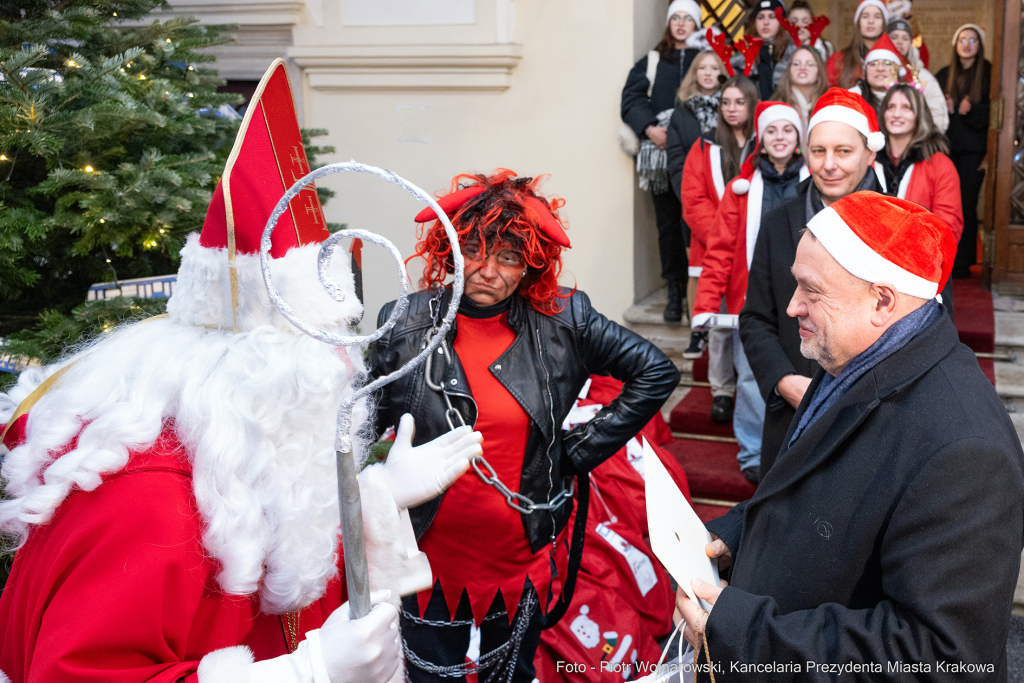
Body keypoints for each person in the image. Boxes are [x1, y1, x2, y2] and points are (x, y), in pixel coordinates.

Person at [0, 60, 485, 683]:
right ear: (261, 374)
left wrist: (374, 499)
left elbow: (285, 549)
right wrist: (307, 674)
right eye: (325, 349)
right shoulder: (149, 501)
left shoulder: (237, 451)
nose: (344, 368)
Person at [677, 192, 1023, 681]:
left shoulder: (966, 451)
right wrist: (741, 535)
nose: (793, 305)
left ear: (882, 299)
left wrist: (745, 634)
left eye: (810, 290)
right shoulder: (854, 352)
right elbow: (816, 490)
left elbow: (944, 658)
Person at [367, 170, 680, 683]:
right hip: (425, 556)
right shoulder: (406, 322)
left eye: (508, 258)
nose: (488, 270)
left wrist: (578, 451)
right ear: (450, 249)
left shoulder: (564, 320)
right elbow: (360, 424)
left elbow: (655, 372)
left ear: (530, 265)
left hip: (517, 556)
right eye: (473, 249)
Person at [740, 87, 887, 474]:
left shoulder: (902, 231)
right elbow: (755, 318)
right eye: (819, 151)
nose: (829, 164)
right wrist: (783, 380)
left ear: (870, 154)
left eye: (843, 151)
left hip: (878, 418)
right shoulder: (777, 224)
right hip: (795, 419)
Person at [692, 102, 807, 484]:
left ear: (798, 139)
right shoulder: (740, 191)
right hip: (753, 298)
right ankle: (755, 455)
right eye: (772, 131)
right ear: (761, 139)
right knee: (750, 378)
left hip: (807, 300)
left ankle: (801, 450)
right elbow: (721, 250)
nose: (779, 137)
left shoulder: (814, 182)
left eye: (787, 131)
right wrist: (706, 303)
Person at [621, 0, 708, 321]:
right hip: (660, 159)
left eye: (688, 18)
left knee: (696, 224)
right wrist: (649, 128)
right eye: (677, 18)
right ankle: (674, 292)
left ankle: (696, 293)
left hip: (696, 159)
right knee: (668, 224)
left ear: (696, 24)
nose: (682, 23)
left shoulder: (706, 61)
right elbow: (631, 99)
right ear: (669, 23)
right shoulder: (653, 61)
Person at [680, 76, 758, 424]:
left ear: (752, 103)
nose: (732, 108)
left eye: (739, 102)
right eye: (726, 102)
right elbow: (693, 200)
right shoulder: (704, 146)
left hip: (758, 249)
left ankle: (754, 384)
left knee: (758, 321)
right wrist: (725, 236)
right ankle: (722, 389)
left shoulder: (765, 141)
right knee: (722, 323)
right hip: (719, 248)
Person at [878, 83, 962, 318]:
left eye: (906, 107)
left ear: (919, 115)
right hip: (869, 274)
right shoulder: (868, 161)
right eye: (891, 107)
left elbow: (949, 229)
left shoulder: (940, 165)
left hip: (922, 279)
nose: (896, 114)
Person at [936, 24, 991, 279]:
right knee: (946, 206)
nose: (967, 44)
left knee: (967, 206)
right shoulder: (944, 74)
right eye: (962, 39)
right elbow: (931, 114)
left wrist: (973, 110)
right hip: (947, 151)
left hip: (973, 153)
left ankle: (964, 262)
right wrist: (944, 109)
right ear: (955, 44)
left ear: (979, 46)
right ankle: (943, 257)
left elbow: (995, 115)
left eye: (972, 40)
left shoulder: (989, 72)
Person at [887, 17, 948, 131]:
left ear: (910, 44)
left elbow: (937, 111)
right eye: (894, 37)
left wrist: (925, 135)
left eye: (905, 38)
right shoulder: (877, 73)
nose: (899, 42)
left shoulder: (923, 76)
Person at [826, 0, 889, 87]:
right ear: (858, 21)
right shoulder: (838, 60)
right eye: (865, 16)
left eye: (877, 17)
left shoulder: (897, 60)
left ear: (884, 23)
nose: (871, 21)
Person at [742, 0, 795, 101]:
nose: (765, 22)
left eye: (772, 17)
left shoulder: (793, 54)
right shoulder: (742, 57)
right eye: (760, 17)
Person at [770, 44, 828, 124]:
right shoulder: (776, 105)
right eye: (796, 64)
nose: (802, 68)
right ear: (789, 70)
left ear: (819, 72)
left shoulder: (829, 104)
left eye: (810, 64)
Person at [848, 32, 902, 112]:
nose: (880, 68)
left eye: (887, 63)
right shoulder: (851, 97)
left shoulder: (908, 97)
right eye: (873, 64)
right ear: (864, 72)